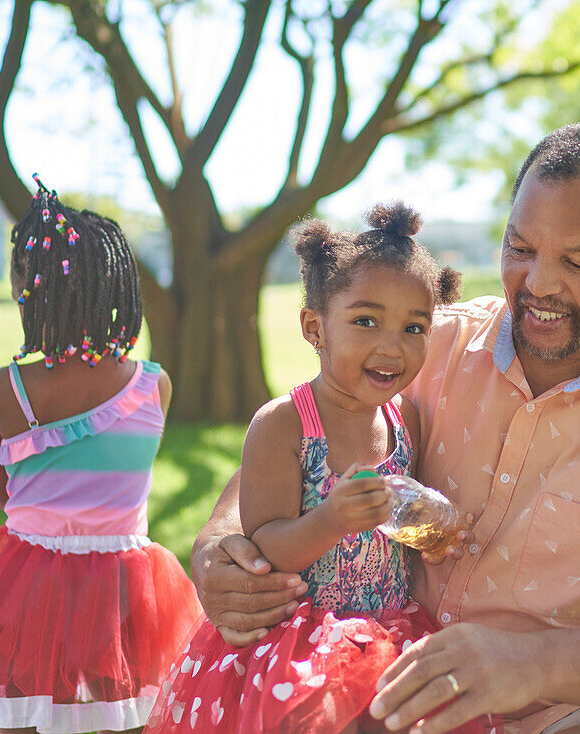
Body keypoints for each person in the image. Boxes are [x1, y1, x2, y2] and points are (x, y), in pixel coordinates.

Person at [192, 123, 580, 734]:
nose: (540, 283)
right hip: (382, 690)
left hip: (568, 712)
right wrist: (220, 540)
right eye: (520, 249)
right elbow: (304, 438)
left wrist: (533, 664)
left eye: (578, 261)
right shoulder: (424, 342)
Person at [145, 203, 488, 734]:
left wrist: (430, 531)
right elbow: (266, 549)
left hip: (390, 632)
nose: (392, 346)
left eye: (414, 327)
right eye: (365, 321)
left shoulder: (406, 419)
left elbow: (398, 526)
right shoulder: (285, 424)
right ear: (315, 327)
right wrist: (330, 520)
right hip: (300, 642)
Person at [0, 175, 204, 734]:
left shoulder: (6, 388)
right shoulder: (153, 386)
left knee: (20, 705)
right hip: (124, 583)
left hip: (24, 577)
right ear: (115, 289)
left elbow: (3, 494)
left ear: (29, 292)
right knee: (124, 710)